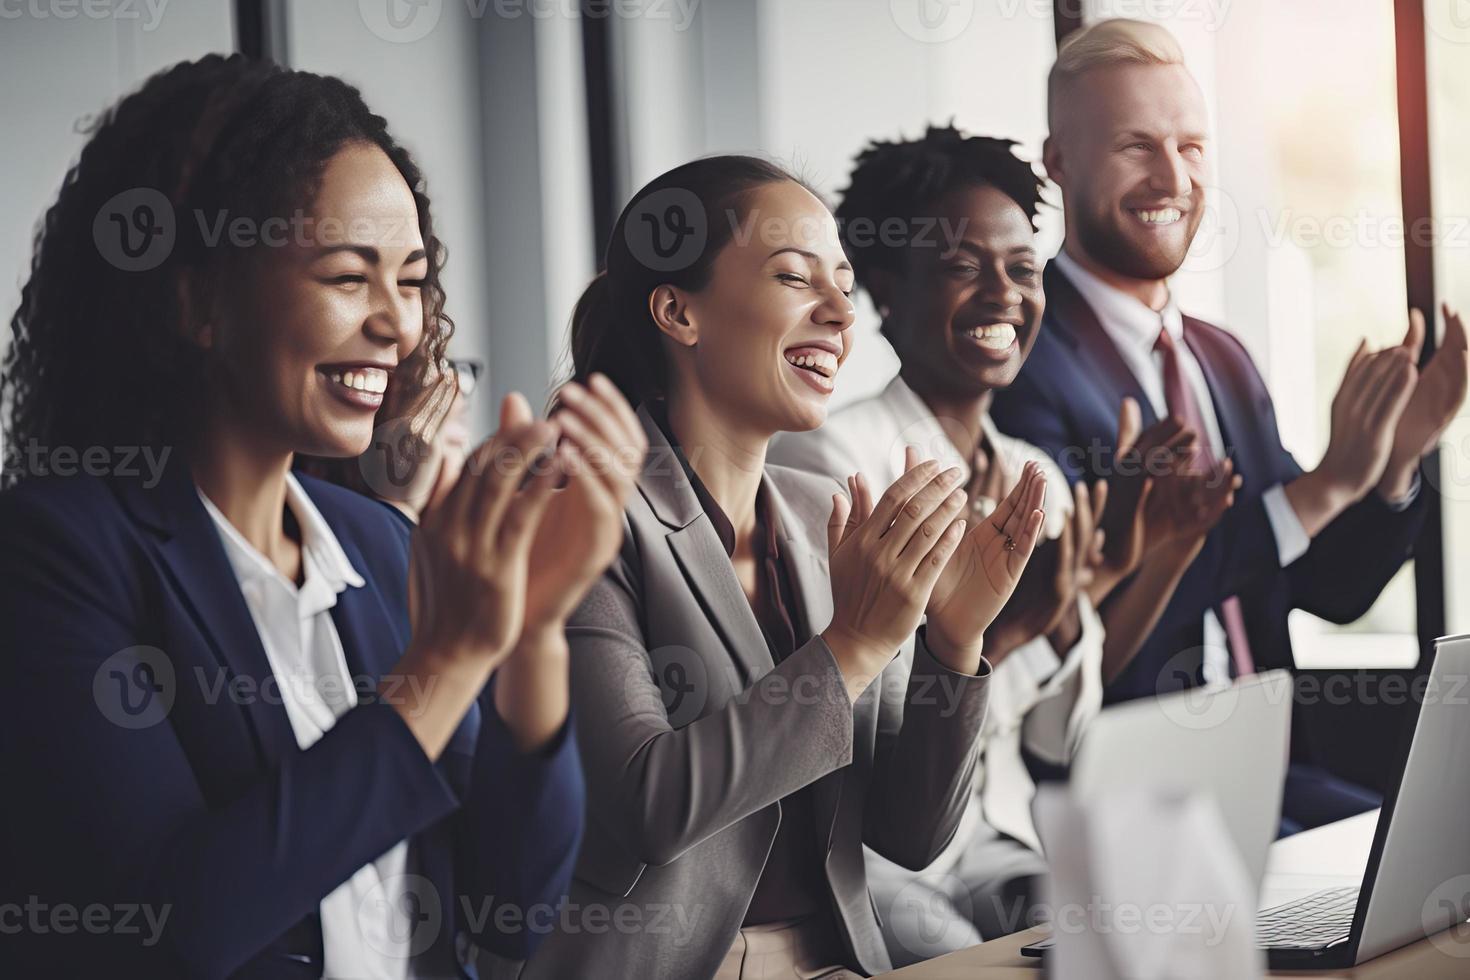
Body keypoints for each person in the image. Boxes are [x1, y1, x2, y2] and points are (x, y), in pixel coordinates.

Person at [0, 55, 643, 977]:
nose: (401, 325)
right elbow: (167, 930)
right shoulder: (55, 554)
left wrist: (533, 628)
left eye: (412, 280)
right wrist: (445, 663)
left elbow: (510, 912)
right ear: (197, 298)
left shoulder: (380, 545)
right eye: (349, 277)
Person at [520, 155, 1049, 980]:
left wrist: (954, 640)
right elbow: (651, 806)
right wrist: (855, 647)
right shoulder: (579, 515)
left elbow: (909, 834)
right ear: (678, 312)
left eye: (842, 282)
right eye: (796, 278)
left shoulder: (819, 510)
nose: (841, 313)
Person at [989, 19, 1469, 833]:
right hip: (1118, 793)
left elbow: (1325, 587)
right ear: (1060, 163)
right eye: (1137, 146)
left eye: (1194, 146)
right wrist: (1323, 488)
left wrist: (1391, 465)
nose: (1172, 176)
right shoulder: (1019, 366)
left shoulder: (1223, 359)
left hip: (1268, 772)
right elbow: (1070, 622)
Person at [770, 125, 1236, 963]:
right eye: (961, 267)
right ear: (882, 287)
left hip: (998, 836)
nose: (1003, 295)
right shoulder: (834, 462)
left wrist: (1140, 562)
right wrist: (1012, 620)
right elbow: (849, 716)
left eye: (1023, 269)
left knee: (1132, 936)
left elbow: (1056, 733)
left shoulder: (1033, 476)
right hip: (880, 855)